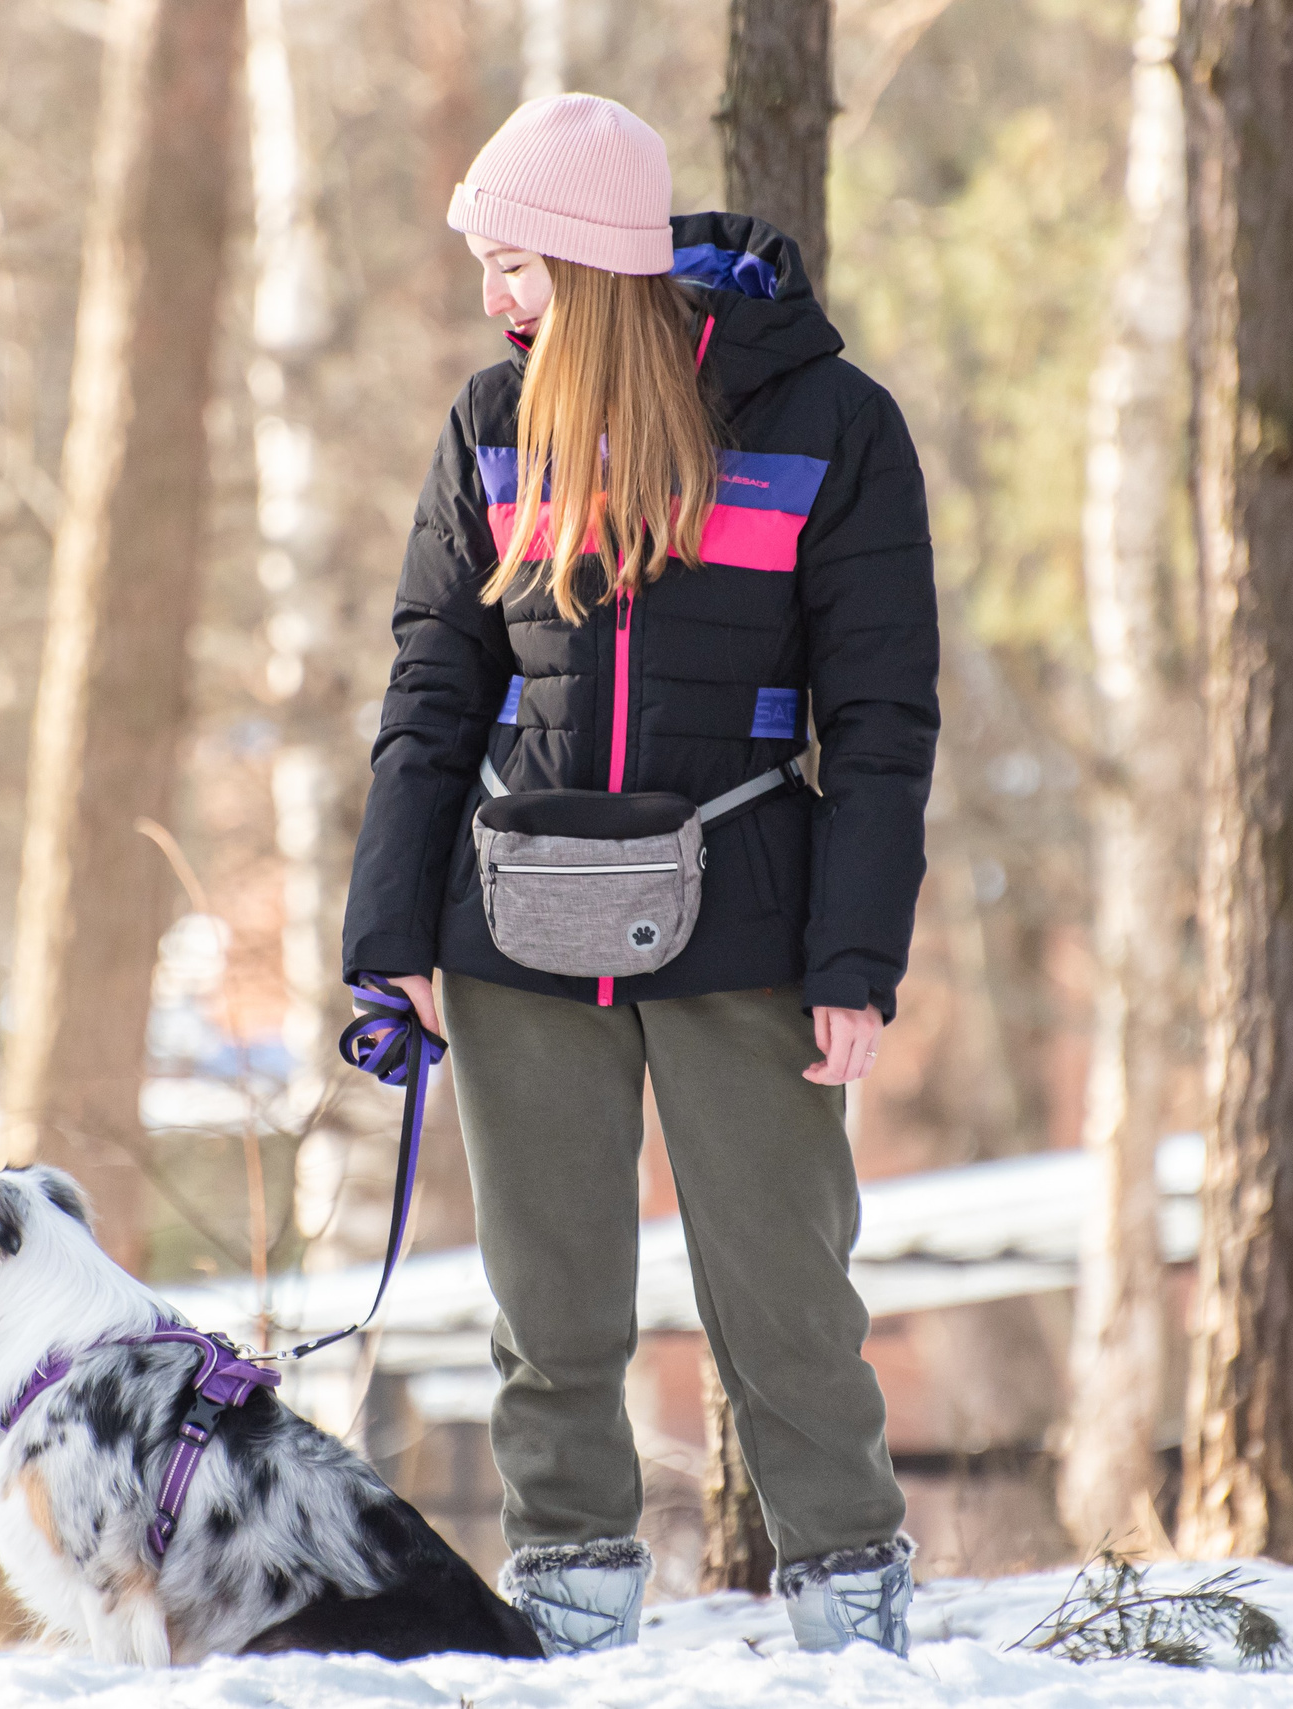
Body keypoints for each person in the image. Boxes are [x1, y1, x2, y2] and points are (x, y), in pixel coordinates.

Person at [339, 92, 939, 1659]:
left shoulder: (830, 426)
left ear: (595, 264)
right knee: (549, 1313)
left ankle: (850, 1593)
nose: (493, 299)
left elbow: (880, 720)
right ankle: (574, 1588)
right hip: (512, 925)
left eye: (515, 266)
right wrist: (388, 930)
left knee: (788, 1295)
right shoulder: (488, 422)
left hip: (746, 920)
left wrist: (855, 958)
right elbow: (432, 686)